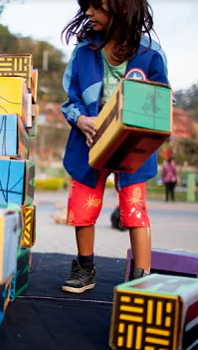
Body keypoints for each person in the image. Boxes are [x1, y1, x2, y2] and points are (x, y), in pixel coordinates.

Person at [60, 0, 170, 293]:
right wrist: (81, 119)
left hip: (133, 150)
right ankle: (85, 267)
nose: (87, 13)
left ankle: (141, 276)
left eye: (96, 6)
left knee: (135, 209)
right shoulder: (83, 50)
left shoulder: (151, 54)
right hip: (89, 145)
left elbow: (165, 101)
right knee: (83, 205)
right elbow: (71, 100)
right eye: (86, 6)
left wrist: (147, 125)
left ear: (121, 7)